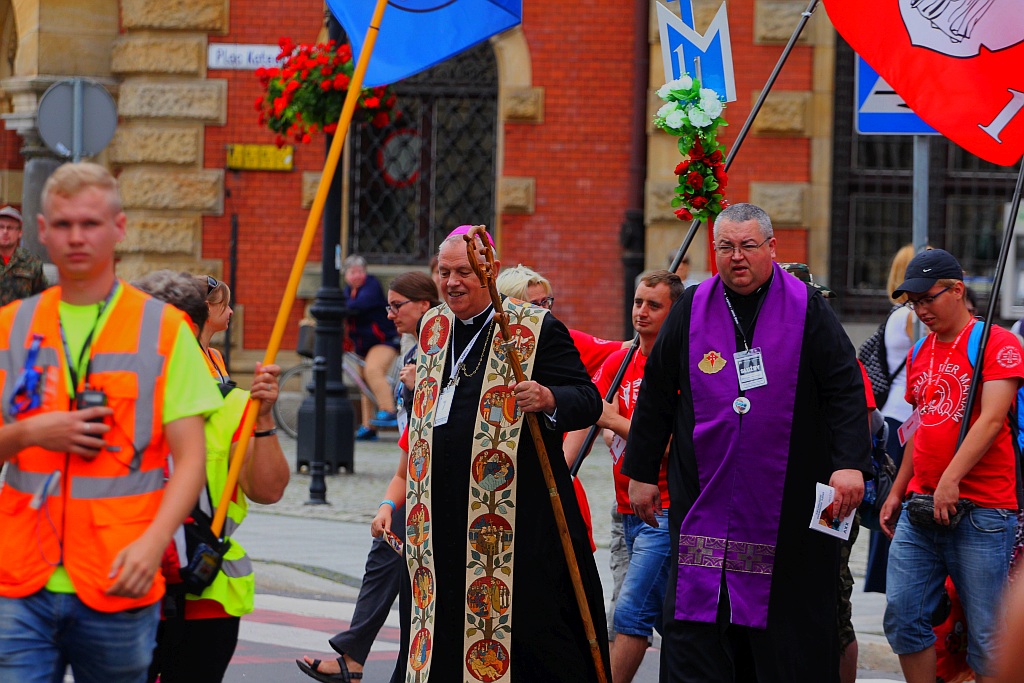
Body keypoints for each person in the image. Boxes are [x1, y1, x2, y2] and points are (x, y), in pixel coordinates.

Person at [622, 202, 872, 683]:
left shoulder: (807, 308)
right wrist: (641, 472)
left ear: (771, 249)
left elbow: (844, 387)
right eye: (726, 247)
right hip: (705, 495)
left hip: (787, 503)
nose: (737, 257)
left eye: (748, 246)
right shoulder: (693, 307)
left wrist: (849, 465)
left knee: (785, 631)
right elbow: (656, 392)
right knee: (700, 622)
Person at [0, 162, 223, 682]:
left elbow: (190, 460)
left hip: (119, 574)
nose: (76, 237)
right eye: (63, 224)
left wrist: (153, 544)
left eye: (91, 223)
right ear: (43, 230)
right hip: (21, 579)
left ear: (118, 229)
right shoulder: (13, 326)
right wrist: (32, 433)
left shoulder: (163, 329)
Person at [399, 227, 609, 682]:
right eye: (444, 272)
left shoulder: (533, 327)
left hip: (514, 519)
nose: (452, 282)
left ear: (489, 271)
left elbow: (587, 398)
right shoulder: (432, 327)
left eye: (464, 273)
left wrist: (549, 397)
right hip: (436, 520)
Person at [880, 248, 1023, 683]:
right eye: (914, 302)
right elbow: (919, 428)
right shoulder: (923, 350)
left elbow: (993, 418)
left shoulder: (998, 343)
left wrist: (951, 479)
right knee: (903, 618)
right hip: (922, 506)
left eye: (929, 298)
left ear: (957, 290)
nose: (922, 310)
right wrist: (897, 491)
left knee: (988, 638)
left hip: (982, 511)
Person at [299, 271, 440, 683]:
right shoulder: (413, 349)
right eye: (388, 305)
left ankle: (361, 659)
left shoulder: (438, 350)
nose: (390, 313)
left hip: (430, 479)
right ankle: (363, 660)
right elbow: (410, 434)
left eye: (397, 306)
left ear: (423, 307)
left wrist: (419, 389)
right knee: (394, 567)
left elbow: (432, 424)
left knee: (402, 572)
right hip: (410, 472)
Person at [565, 270, 683, 683]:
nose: (642, 312)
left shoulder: (679, 367)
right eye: (638, 303)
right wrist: (563, 468)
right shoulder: (621, 360)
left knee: (630, 613)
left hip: (664, 511)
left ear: (674, 312)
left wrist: (617, 420)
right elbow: (589, 413)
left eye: (654, 305)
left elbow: (675, 443)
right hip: (624, 513)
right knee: (665, 617)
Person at [865, 244, 917, 594]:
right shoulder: (909, 317)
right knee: (894, 500)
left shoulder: (898, 315)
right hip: (903, 421)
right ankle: (892, 578)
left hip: (896, 417)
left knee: (892, 498)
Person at [343, 254, 401, 440]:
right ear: (346, 275)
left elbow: (357, 306)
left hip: (383, 341)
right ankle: (368, 426)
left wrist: (342, 308)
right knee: (364, 384)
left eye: (360, 271)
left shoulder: (371, 286)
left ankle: (388, 409)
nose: (357, 276)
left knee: (373, 370)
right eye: (353, 272)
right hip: (362, 346)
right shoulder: (347, 291)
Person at [0, 204, 47, 306]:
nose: (5, 232)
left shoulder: (31, 263)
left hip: (19, 320)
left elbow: (42, 298)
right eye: (1, 227)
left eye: (10, 228)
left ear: (20, 232)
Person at [197, 275, 233, 383]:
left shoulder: (216, 355)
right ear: (207, 308)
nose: (231, 311)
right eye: (226, 305)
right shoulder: (189, 355)